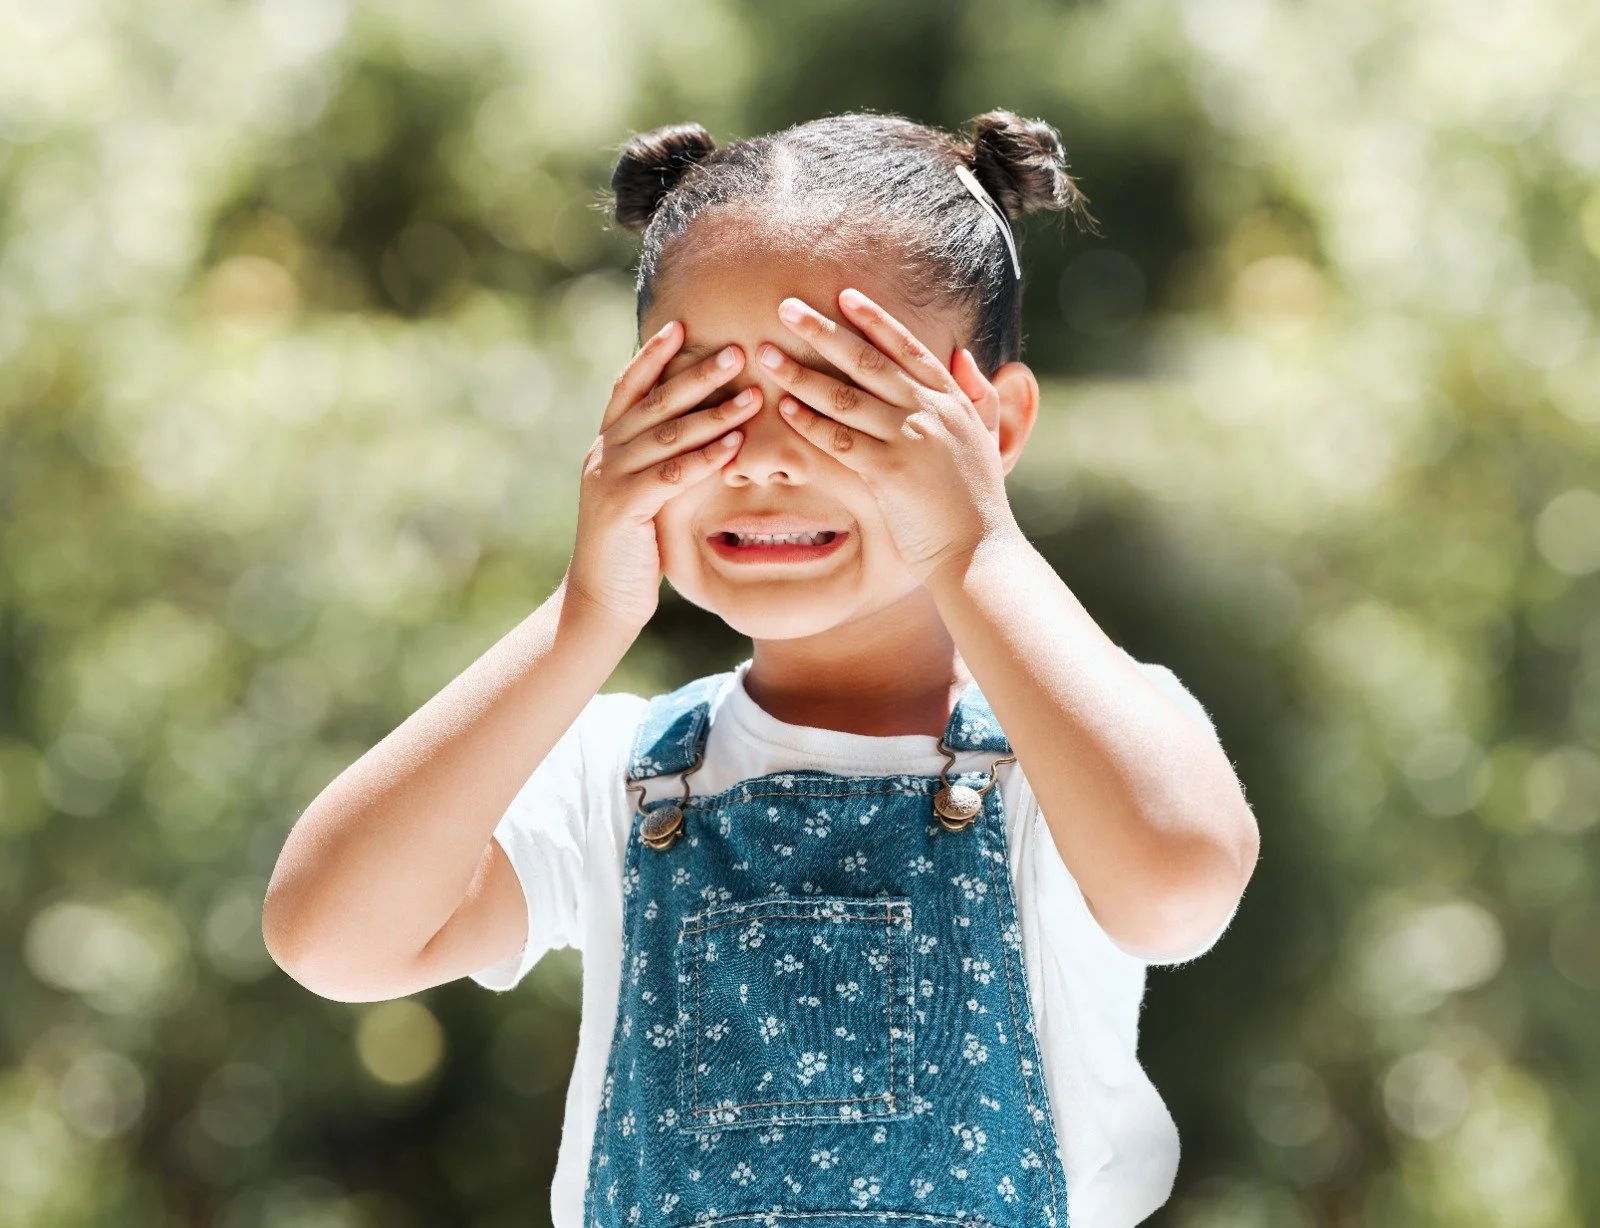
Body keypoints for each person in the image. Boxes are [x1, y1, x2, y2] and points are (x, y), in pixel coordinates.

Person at [263, 109, 1260, 1228]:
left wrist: (980, 543)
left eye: (846, 399)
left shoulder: (1074, 751)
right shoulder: (616, 777)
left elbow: (1178, 885)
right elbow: (330, 937)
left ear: (994, 426)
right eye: (705, 401)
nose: (769, 460)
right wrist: (589, 612)